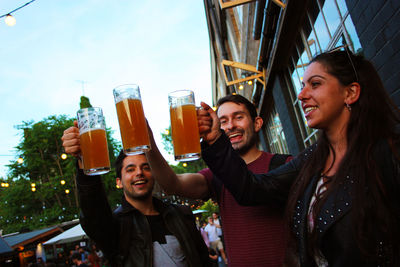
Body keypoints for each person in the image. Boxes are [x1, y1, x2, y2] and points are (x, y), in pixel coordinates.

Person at [197, 48, 400, 266]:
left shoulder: (389, 154)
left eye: (315, 84)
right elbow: (252, 189)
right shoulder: (313, 160)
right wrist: (215, 139)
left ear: (350, 92)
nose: (301, 95)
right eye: (302, 86)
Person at [146, 94, 291, 266]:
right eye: (223, 121)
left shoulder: (285, 165)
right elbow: (171, 184)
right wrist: (148, 143)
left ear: (258, 123)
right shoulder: (215, 175)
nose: (230, 126)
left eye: (238, 117)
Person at [61, 123, 210, 266]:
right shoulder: (114, 227)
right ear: (119, 182)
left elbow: (204, 260)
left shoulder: (181, 214)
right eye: (130, 169)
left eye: (146, 167)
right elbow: (92, 210)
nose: (139, 173)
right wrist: (84, 159)